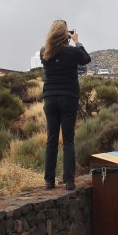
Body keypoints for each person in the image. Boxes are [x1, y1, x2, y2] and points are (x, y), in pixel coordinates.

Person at [40, 20, 91, 190]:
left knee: (51, 140)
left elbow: (55, 55)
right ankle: (69, 181)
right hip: (68, 98)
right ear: (65, 34)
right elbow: (86, 59)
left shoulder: (44, 52)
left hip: (50, 99)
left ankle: (49, 181)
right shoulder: (72, 52)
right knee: (68, 140)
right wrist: (76, 41)